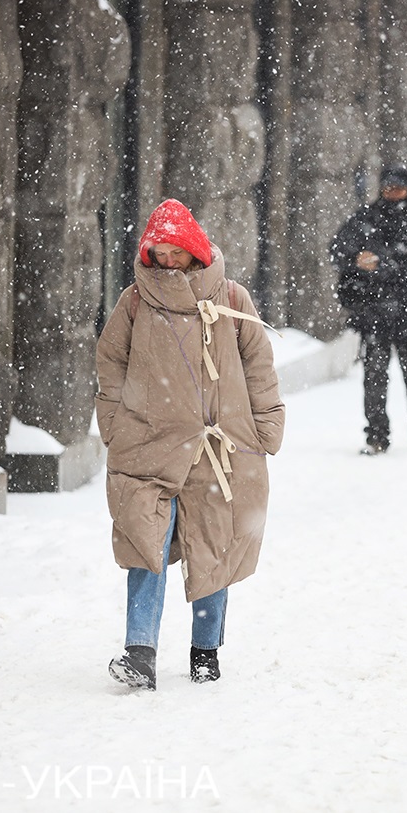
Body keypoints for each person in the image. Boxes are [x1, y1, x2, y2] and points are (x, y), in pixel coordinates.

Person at [96, 199, 285, 690]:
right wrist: (113, 421)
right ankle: (140, 652)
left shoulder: (232, 298)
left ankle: (206, 651)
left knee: (214, 544)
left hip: (218, 447)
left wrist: (266, 422)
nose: (166, 261)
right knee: (145, 540)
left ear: (194, 251)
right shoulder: (134, 301)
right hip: (146, 444)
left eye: (175, 252)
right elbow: (110, 361)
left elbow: (258, 364)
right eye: (157, 252)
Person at [329, 164, 407, 455]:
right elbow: (338, 248)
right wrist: (356, 259)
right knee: (375, 378)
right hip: (374, 314)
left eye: (399, 188)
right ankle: (376, 435)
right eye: (389, 187)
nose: (393, 193)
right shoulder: (366, 219)